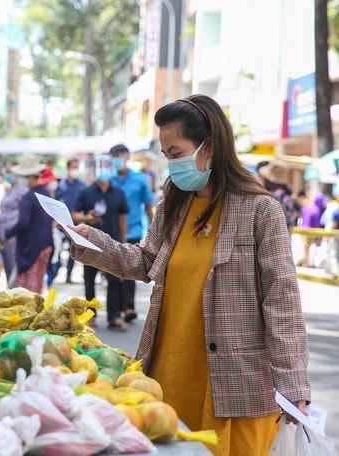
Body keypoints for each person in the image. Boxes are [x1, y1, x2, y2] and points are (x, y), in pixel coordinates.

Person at [68, 94, 310, 455]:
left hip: (235, 385)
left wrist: (294, 388)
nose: (171, 165)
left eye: (177, 153)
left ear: (208, 146)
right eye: (167, 156)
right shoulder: (173, 204)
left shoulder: (261, 211)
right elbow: (145, 261)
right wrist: (93, 243)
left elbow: (282, 302)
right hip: (169, 373)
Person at [71, 157, 129, 329]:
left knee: (113, 280)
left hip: (112, 243)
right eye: (99, 168)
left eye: (106, 167)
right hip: (89, 243)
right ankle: (91, 315)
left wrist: (124, 241)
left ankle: (113, 316)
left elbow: (122, 218)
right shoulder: (87, 192)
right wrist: (87, 218)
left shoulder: (118, 193)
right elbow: (74, 214)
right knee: (89, 280)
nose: (102, 171)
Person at [109, 144, 155, 323]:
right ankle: (117, 307)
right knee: (113, 270)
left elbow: (148, 206)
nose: (116, 159)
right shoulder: (109, 179)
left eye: (119, 156)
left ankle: (129, 306)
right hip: (112, 231)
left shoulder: (140, 179)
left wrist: (155, 230)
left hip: (133, 229)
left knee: (130, 269)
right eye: (113, 156)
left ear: (126, 157)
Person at [5, 155, 54, 294]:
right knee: (37, 288)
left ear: (30, 177)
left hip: (31, 249)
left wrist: (8, 233)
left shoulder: (28, 197)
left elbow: (22, 223)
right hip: (45, 246)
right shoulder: (45, 193)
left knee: (27, 293)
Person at [55, 158, 87, 283]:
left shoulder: (81, 185)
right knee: (58, 248)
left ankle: (69, 274)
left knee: (73, 249)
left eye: (77, 168)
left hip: (76, 223)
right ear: (68, 168)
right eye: (73, 167)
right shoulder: (61, 184)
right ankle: (57, 268)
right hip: (61, 223)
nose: (75, 170)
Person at [0, 164, 28, 288]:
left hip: (13, 236)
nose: (7, 175)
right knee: (8, 267)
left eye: (10, 172)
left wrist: (11, 233)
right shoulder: (8, 190)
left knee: (15, 268)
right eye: (6, 171)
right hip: (4, 235)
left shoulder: (22, 191)